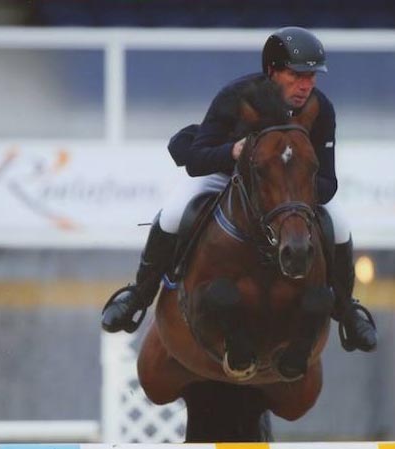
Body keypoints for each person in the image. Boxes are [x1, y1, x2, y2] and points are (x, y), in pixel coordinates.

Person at [102, 26, 377, 353]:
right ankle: (139, 295)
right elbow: (197, 159)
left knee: (341, 227)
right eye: (296, 75)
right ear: (272, 71)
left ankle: (347, 310)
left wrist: (291, 194)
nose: (306, 85)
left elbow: (327, 182)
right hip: (226, 174)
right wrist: (232, 152)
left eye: (312, 76)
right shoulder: (237, 97)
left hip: (289, 193)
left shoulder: (321, 109)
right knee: (175, 213)